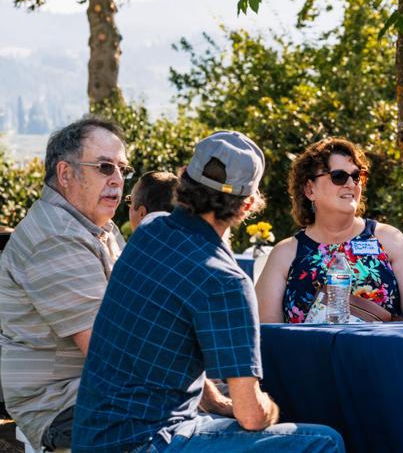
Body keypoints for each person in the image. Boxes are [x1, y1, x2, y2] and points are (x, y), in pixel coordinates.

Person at [72, 131, 344, 452]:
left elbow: (164, 350)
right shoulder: (225, 280)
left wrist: (217, 403)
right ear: (248, 204)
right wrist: (271, 407)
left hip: (92, 437)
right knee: (324, 441)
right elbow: (252, 416)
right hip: (150, 442)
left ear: (184, 177)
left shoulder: (148, 232)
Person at [0, 117, 129, 451]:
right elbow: (110, 350)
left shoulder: (97, 228)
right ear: (65, 173)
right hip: (69, 406)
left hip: (98, 395)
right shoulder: (56, 238)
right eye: (104, 167)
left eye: (122, 169)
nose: (117, 179)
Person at [256, 137, 403, 324]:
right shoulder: (285, 253)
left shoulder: (390, 240)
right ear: (309, 189)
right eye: (338, 176)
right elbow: (267, 330)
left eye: (357, 176)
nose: (351, 184)